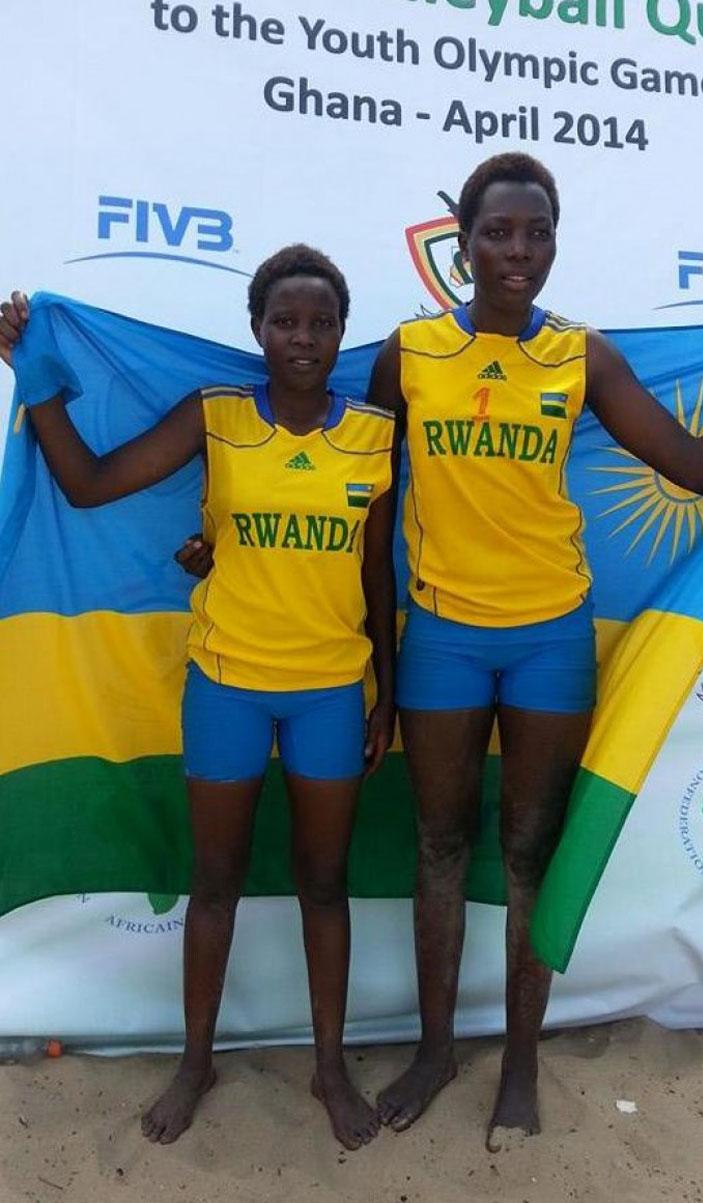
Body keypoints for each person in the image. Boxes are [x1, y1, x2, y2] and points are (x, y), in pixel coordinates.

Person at [364, 152, 703, 1150]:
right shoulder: (404, 357)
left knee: (529, 852)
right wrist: (379, 661)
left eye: (535, 232)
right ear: (463, 243)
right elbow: (350, 488)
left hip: (548, 641)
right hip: (439, 633)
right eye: (497, 232)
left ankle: (519, 1061)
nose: (516, 252)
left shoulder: (580, 357)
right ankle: (437, 1050)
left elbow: (696, 468)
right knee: (439, 845)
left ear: (553, 241)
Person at [0, 245, 398, 1151]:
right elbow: (89, 483)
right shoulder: (216, 416)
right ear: (255, 330)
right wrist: (36, 372)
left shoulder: (376, 434)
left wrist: (387, 694)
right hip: (227, 683)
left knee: (324, 884)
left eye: (321, 322)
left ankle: (329, 1064)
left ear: (342, 332)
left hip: (331, 691)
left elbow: (380, 576)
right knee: (213, 882)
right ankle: (195, 1060)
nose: (302, 338)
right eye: (284, 321)